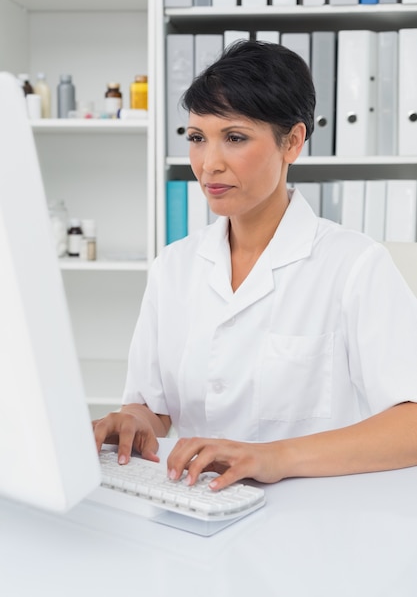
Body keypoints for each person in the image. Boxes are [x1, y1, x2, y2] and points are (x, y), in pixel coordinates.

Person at [93, 39, 417, 491]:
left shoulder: (355, 265)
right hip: (195, 507)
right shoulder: (175, 267)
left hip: (315, 521)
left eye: (235, 138)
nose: (209, 165)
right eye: (197, 139)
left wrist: (274, 457)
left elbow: (412, 423)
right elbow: (155, 407)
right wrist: (131, 422)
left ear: (293, 142)